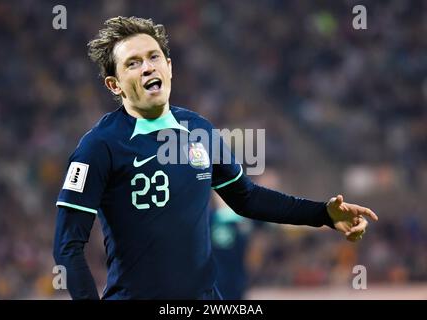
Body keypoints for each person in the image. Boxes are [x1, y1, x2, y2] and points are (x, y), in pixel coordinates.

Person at [53, 16, 378, 300]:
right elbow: (68, 245)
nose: (148, 66)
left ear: (169, 67)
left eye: (154, 56)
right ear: (115, 85)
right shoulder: (99, 146)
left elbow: (247, 199)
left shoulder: (199, 130)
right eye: (133, 63)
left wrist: (322, 213)